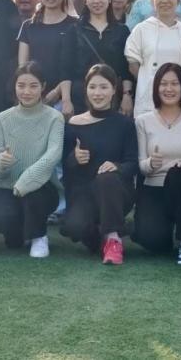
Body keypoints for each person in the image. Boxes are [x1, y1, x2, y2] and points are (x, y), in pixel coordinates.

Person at [61, 65, 138, 265]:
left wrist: (117, 167)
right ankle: (106, 233)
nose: (98, 93)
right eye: (93, 87)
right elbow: (65, 168)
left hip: (115, 192)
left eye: (104, 87)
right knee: (73, 227)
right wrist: (74, 158)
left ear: (113, 90)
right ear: (86, 89)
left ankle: (113, 239)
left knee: (106, 177)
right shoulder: (74, 123)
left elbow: (133, 164)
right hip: (84, 194)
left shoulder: (125, 124)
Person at [0, 62, 64, 258]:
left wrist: (26, 180)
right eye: (21, 85)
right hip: (8, 187)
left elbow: (54, 154)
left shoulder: (55, 117)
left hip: (42, 188)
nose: (26, 91)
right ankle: (23, 230)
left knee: (34, 197)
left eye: (33, 86)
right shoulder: (3, 118)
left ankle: (39, 236)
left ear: (43, 86)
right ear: (14, 86)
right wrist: (1, 162)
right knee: (2, 222)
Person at [133, 63, 181, 264]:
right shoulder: (142, 121)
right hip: (153, 187)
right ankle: (163, 230)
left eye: (174, 83)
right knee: (153, 242)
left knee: (177, 175)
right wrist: (151, 163)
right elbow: (140, 165)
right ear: (156, 87)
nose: (169, 89)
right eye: (163, 84)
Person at [125, 0, 181, 118]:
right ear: (152, 0)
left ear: (178, 1)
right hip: (148, 99)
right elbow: (133, 63)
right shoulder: (141, 29)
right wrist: (149, 80)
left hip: (179, 96)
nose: (165, 1)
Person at [69, 0, 133, 115]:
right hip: (80, 97)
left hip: (112, 98)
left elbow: (125, 69)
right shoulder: (74, 29)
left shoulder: (122, 31)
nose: (96, 1)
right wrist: (66, 100)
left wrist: (127, 95)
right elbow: (66, 68)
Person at [17, 0, 77, 117]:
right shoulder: (28, 26)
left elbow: (75, 64)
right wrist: (31, 90)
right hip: (33, 96)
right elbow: (22, 65)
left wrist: (57, 91)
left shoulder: (74, 25)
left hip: (64, 97)